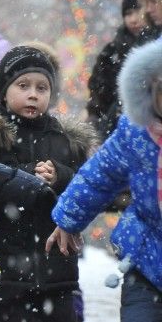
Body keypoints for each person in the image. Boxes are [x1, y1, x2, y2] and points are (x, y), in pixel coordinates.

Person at [0, 44, 97, 321]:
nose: (33, 94)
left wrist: (61, 176)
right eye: (23, 85)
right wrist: (26, 175)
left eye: (41, 88)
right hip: (6, 273)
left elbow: (87, 189)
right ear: (4, 90)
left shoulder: (65, 140)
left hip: (57, 274)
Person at [48, 38, 162, 319]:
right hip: (147, 255)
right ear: (149, 91)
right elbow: (99, 175)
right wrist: (68, 218)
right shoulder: (136, 133)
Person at [87, 0, 146, 139]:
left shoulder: (154, 48)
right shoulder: (111, 52)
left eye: (138, 11)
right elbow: (98, 99)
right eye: (128, 13)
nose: (133, 19)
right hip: (113, 132)